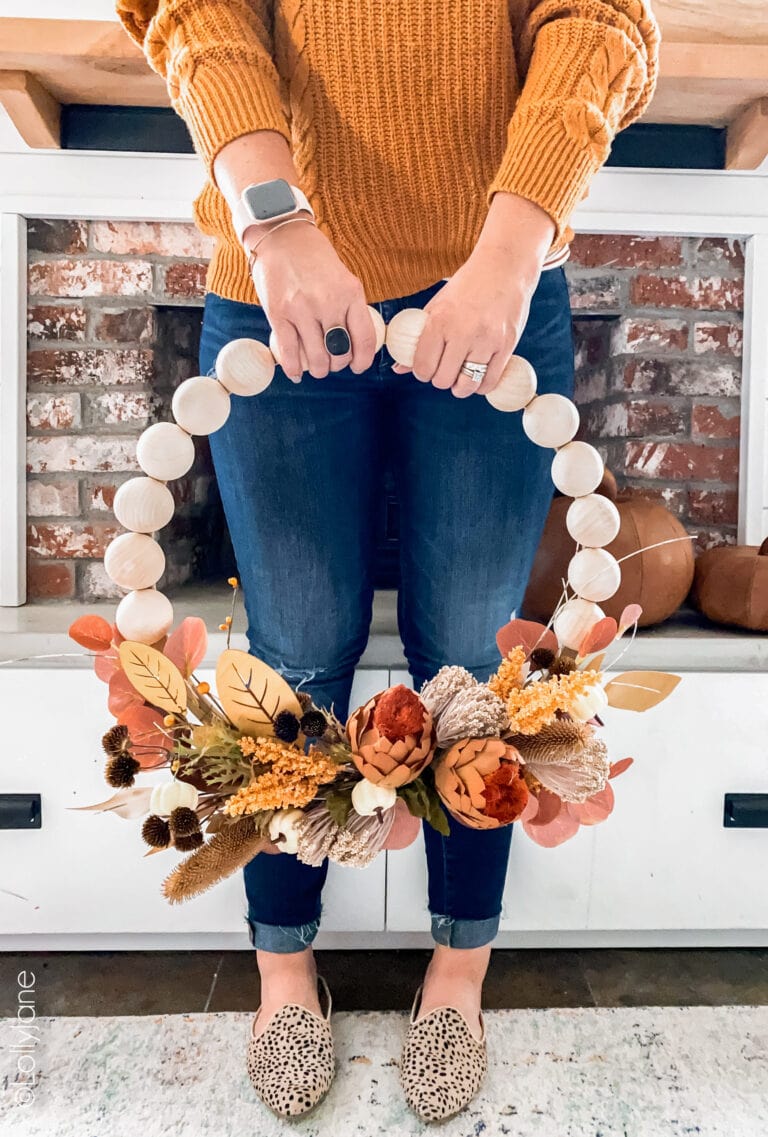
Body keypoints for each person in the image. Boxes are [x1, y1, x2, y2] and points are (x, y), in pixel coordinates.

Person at [118, 0, 659, 1122]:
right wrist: (275, 223)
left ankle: (458, 974)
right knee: (292, 659)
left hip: (496, 285)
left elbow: (597, 20)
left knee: (473, 663)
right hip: (275, 282)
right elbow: (197, 12)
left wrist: (509, 256)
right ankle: (282, 969)